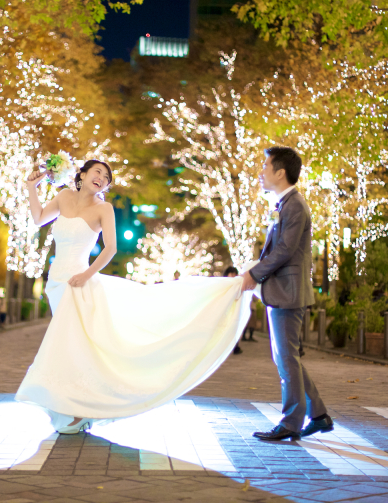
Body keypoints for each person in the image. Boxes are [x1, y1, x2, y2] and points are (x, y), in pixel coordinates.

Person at [15, 160, 255, 434]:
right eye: (98, 172)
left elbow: (111, 248)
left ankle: (77, 408)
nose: (102, 179)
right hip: (56, 282)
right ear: (81, 174)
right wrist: (31, 187)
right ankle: (74, 403)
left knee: (73, 346)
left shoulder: (103, 208)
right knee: (73, 346)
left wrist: (86, 275)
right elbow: (37, 219)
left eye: (106, 177)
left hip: (79, 284)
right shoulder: (63, 196)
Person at [241, 147, 332, 441]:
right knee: (288, 358)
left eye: (265, 166)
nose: (261, 172)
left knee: (287, 360)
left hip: (288, 293)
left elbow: (285, 250)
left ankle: (291, 423)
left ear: (280, 172)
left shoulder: (294, 205)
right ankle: (318, 415)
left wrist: (253, 275)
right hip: (284, 291)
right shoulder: (287, 204)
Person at [224, 266, 244, 355]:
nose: (232, 275)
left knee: (235, 327)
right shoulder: (224, 284)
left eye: (234, 273)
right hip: (226, 310)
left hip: (235, 308)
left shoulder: (238, 284)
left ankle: (235, 346)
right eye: (231, 273)